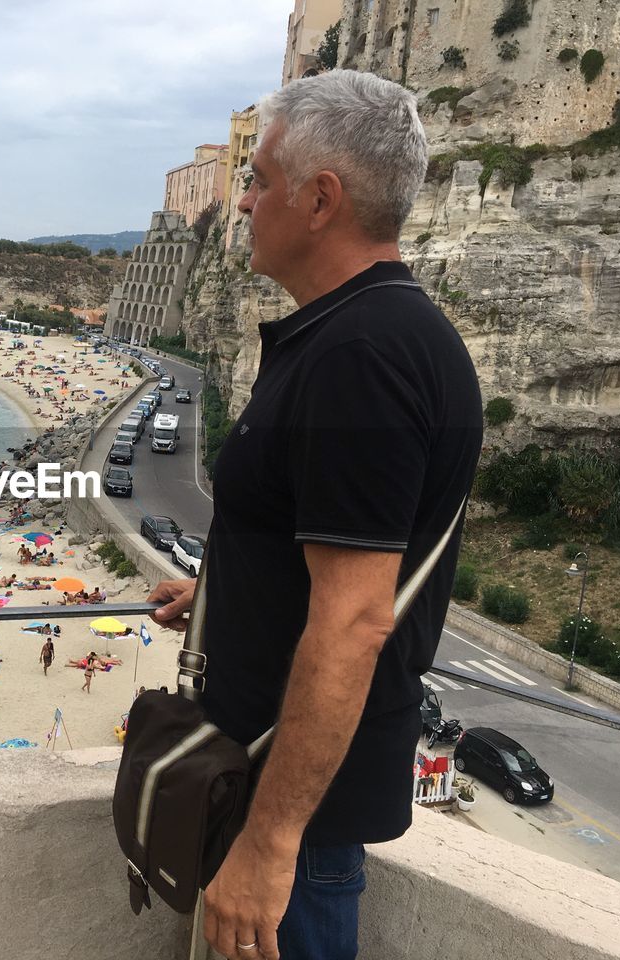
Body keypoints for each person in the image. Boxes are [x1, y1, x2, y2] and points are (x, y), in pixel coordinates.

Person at [146, 71, 481, 960]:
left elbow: (355, 618)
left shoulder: (363, 357)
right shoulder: (359, 333)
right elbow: (322, 551)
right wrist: (228, 592)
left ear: (321, 199)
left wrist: (268, 843)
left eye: (257, 180)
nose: (246, 201)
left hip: (293, 827)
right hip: (268, 790)